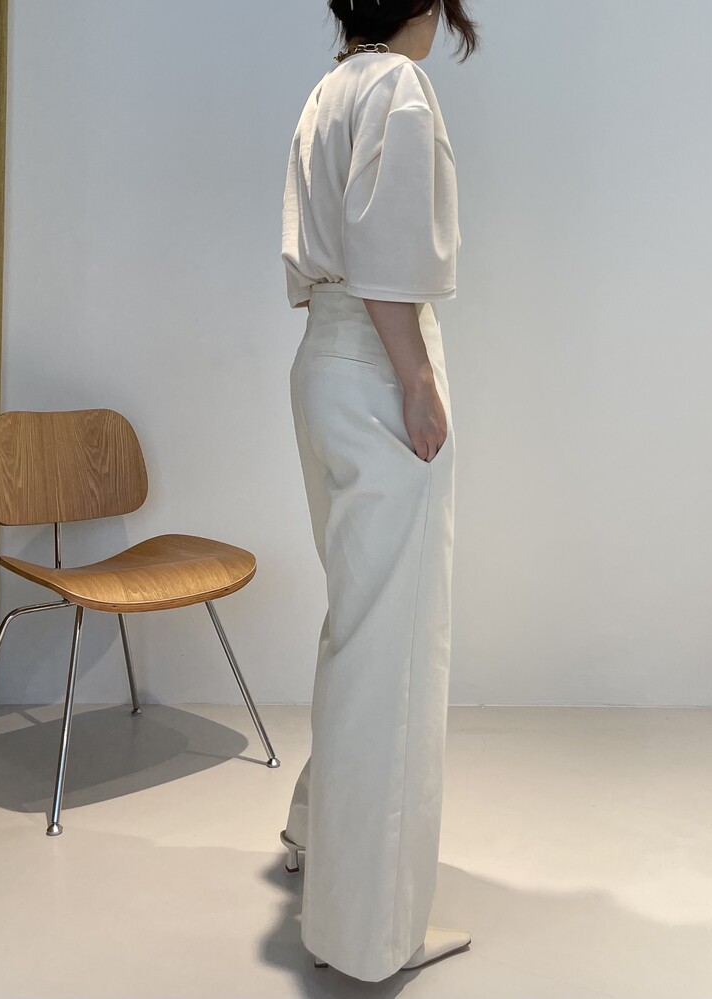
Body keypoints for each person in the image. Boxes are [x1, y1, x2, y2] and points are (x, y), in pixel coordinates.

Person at [279, 0, 479, 982]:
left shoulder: (331, 90)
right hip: (374, 368)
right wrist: (417, 379)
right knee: (391, 651)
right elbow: (388, 260)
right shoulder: (398, 86)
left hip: (322, 363)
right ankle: (370, 934)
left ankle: (317, 832)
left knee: (356, 623)